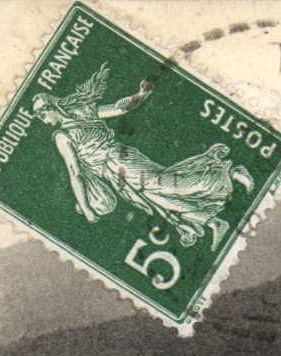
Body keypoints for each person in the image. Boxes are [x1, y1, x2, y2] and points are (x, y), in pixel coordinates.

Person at [33, 63, 254, 249]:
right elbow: (120, 108)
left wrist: (87, 208)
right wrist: (141, 95)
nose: (43, 120)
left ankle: (230, 172)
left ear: (50, 108)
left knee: (171, 186)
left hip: (119, 163)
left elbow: (75, 173)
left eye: (42, 115)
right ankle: (215, 223)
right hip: (116, 171)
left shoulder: (63, 135)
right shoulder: (83, 112)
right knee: (160, 200)